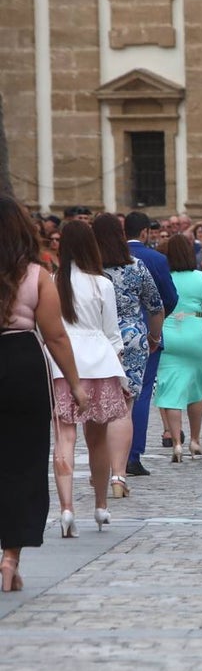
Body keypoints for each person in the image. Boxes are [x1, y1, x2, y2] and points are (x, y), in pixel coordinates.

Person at [1, 196, 87, 591]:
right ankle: (10, 556)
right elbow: (55, 335)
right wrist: (75, 383)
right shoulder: (36, 274)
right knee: (23, 461)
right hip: (20, 361)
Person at [49, 220, 129, 537]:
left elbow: (48, 331)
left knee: (64, 438)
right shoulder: (102, 284)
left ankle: (66, 508)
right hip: (98, 362)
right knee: (97, 440)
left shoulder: (53, 281)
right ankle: (99, 504)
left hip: (62, 364)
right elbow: (112, 333)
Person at [92, 214, 165, 497]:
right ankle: (118, 476)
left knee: (97, 407)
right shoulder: (136, 266)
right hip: (132, 338)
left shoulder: (88, 270)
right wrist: (154, 337)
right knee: (125, 405)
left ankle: (98, 468)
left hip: (96, 340)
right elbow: (156, 305)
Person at [155, 235, 202, 462]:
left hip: (169, 331)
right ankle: (195, 440)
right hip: (196, 333)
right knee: (196, 389)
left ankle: (176, 443)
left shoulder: (163, 277)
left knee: (170, 389)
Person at [123, 211, 179, 476]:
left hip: (108, 335)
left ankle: (109, 455)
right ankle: (133, 454)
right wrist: (155, 320)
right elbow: (169, 297)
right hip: (145, 333)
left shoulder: (103, 257)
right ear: (145, 232)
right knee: (142, 393)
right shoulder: (155, 258)